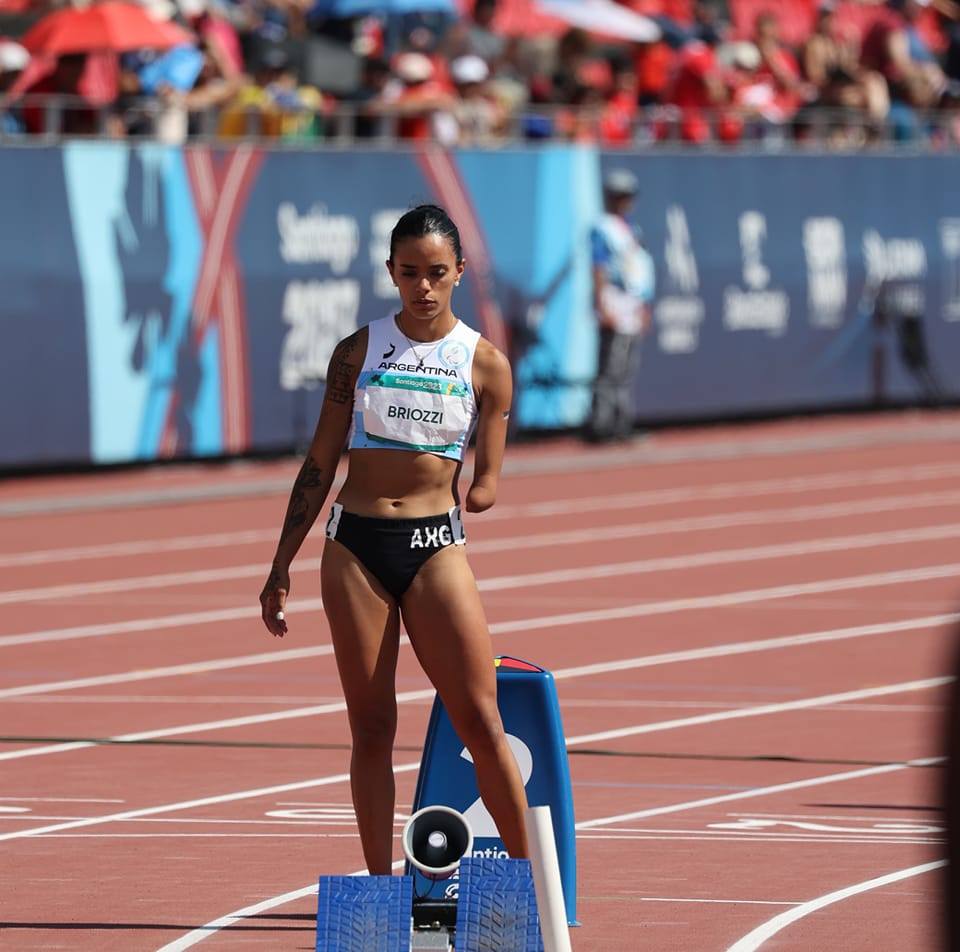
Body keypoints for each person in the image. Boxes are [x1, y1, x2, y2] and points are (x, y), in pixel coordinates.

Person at [258, 204, 528, 874]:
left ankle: (528, 882)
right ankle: (378, 888)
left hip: (436, 545)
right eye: (410, 273)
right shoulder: (357, 352)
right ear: (391, 272)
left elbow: (488, 474)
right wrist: (281, 563)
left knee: (481, 720)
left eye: (437, 272)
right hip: (355, 548)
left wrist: (484, 488)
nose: (424, 287)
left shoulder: (486, 364)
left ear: (460, 272)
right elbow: (321, 461)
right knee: (372, 727)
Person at [586, 169, 655, 443]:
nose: (623, 201)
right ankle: (601, 425)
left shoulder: (631, 230)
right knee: (610, 365)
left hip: (632, 302)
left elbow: (639, 269)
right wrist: (602, 303)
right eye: (618, 196)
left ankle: (621, 422)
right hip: (614, 299)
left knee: (627, 367)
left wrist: (643, 304)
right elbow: (599, 267)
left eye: (627, 196)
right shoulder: (602, 228)